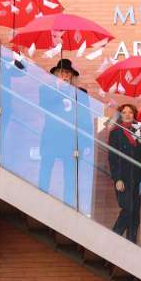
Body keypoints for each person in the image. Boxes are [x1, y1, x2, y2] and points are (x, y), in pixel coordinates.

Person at [38, 59, 90, 208]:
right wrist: (60, 90)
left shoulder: (80, 93)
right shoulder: (46, 89)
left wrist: (86, 143)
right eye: (62, 72)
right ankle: (41, 200)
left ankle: (69, 204)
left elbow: (85, 118)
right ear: (56, 74)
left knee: (70, 174)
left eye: (67, 73)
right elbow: (44, 106)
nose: (65, 75)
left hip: (71, 140)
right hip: (51, 137)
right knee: (46, 168)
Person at [108, 103, 141, 243]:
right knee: (128, 209)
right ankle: (113, 240)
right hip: (123, 176)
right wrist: (117, 179)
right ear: (120, 115)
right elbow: (113, 158)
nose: (127, 115)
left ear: (134, 115)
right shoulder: (115, 132)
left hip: (138, 176)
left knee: (135, 213)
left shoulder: (140, 129)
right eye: (124, 112)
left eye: (130, 112)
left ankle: (131, 243)